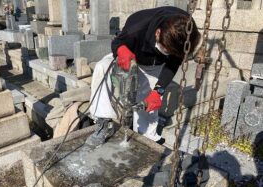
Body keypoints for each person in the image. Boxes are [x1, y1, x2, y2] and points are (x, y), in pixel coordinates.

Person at [86, 6, 200, 146]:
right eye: (165, 50)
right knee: (101, 67)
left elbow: (172, 65)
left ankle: (147, 138)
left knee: (149, 102)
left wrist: (158, 91)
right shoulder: (138, 24)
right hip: (130, 57)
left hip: (154, 66)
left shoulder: (186, 33)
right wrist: (121, 50)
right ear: (158, 33)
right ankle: (103, 123)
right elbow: (117, 42)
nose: (168, 53)